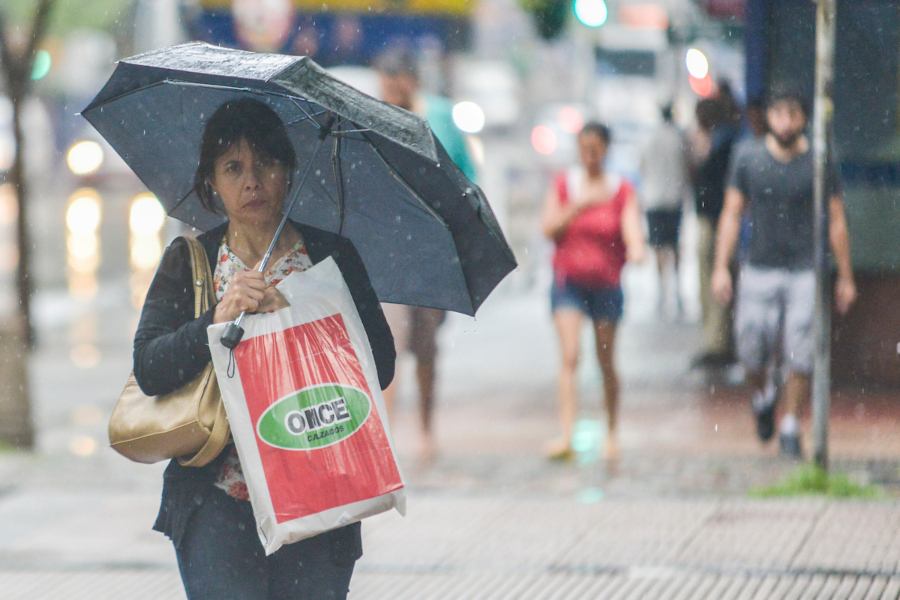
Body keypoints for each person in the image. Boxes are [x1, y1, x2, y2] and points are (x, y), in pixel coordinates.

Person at [133, 98, 395, 599]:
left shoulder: (331, 257)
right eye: (233, 167)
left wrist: (298, 315)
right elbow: (149, 367)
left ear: (289, 172)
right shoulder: (192, 261)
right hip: (216, 503)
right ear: (212, 181)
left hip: (321, 495)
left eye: (266, 164)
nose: (251, 181)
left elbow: (379, 366)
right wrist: (218, 318)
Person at [712, 87, 856, 458]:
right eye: (778, 114)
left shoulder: (820, 160)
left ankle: (791, 423)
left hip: (804, 268)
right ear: (767, 118)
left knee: (800, 347)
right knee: (749, 344)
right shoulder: (749, 157)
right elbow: (731, 212)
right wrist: (721, 268)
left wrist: (845, 275)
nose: (786, 123)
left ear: (805, 119)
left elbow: (836, 220)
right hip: (758, 265)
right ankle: (762, 397)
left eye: (793, 114)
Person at [373, 46, 476, 460]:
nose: (388, 92)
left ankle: (425, 428)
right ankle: (387, 432)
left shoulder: (441, 119)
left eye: (394, 85)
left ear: (411, 81)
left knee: (427, 347)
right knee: (387, 343)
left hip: (433, 255)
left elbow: (466, 176)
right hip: (387, 254)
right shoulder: (373, 120)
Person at [541, 122, 645, 461]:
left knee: (606, 360)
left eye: (596, 148)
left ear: (606, 149)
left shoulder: (620, 189)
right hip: (568, 282)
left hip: (606, 285)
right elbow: (548, 228)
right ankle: (566, 434)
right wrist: (579, 205)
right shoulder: (564, 184)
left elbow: (631, 228)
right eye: (584, 147)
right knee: (570, 356)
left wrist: (637, 247)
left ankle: (611, 432)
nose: (590, 154)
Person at [691, 98, 740, 368]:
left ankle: (718, 342)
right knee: (710, 278)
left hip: (715, 219)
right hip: (711, 217)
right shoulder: (720, 141)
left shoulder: (724, 144)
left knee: (714, 278)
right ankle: (715, 340)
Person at [639, 104, 692, 318]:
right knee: (675, 245)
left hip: (654, 198)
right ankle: (677, 292)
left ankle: (663, 292)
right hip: (674, 198)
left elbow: (642, 166)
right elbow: (687, 167)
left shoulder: (649, 138)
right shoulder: (679, 138)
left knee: (659, 247)